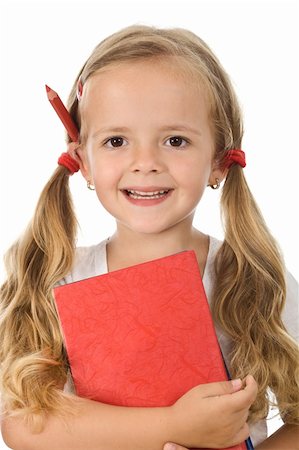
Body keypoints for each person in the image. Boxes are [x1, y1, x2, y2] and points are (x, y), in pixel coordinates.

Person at [0, 24, 298, 450]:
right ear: (82, 160)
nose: (145, 163)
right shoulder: (58, 279)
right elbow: (23, 425)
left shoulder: (252, 279)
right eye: (116, 140)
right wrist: (175, 425)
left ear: (218, 161)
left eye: (175, 140)